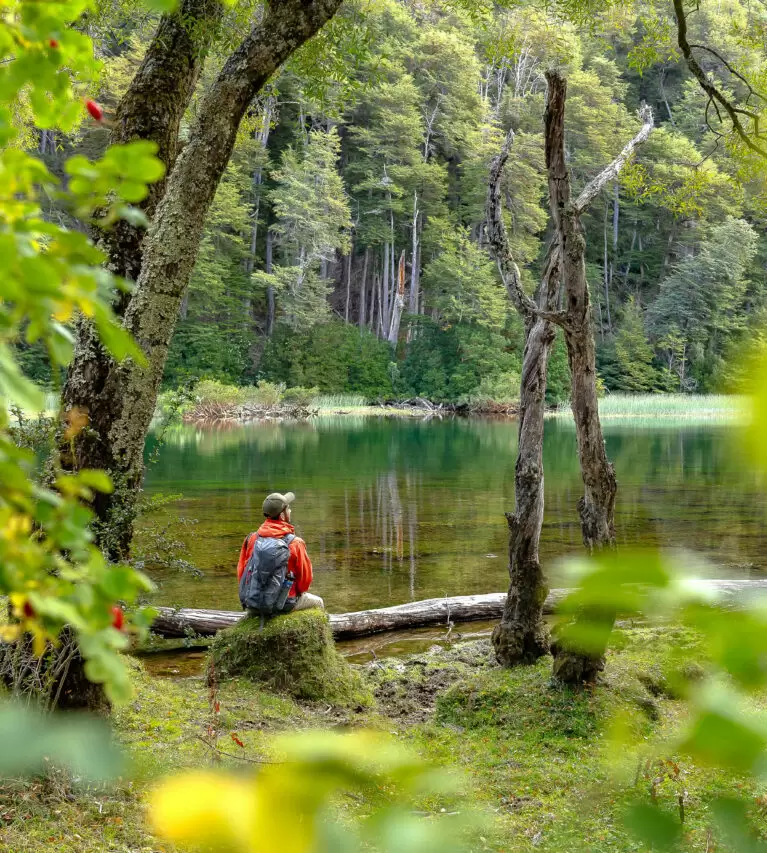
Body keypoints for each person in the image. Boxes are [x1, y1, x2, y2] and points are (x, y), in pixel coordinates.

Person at [236, 491, 324, 613]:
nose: (290, 511)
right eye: (288, 508)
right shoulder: (296, 543)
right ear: (282, 515)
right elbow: (304, 583)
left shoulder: (251, 539)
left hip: (253, 602)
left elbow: (242, 574)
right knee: (318, 602)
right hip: (283, 604)